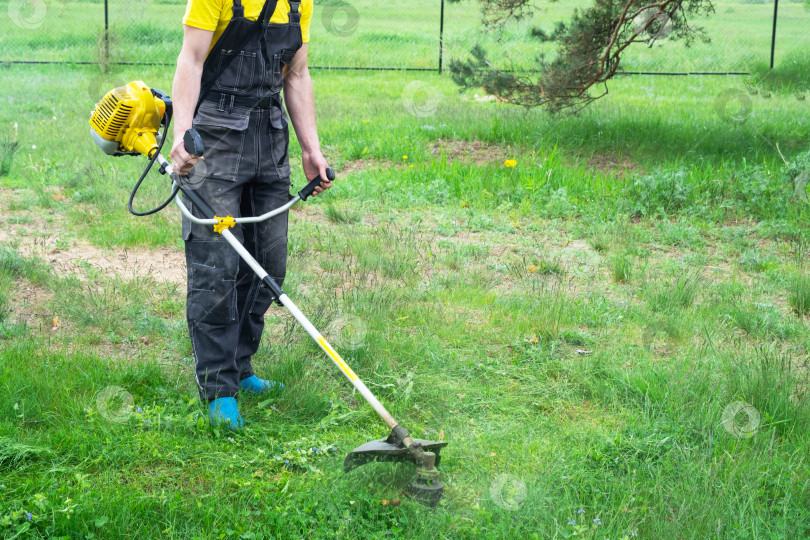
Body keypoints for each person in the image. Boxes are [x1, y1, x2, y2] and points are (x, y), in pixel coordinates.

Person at [169, 0, 331, 429]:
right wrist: (185, 132)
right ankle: (219, 389)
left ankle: (242, 367)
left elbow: (295, 75)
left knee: (267, 263)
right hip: (215, 134)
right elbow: (192, 57)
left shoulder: (300, 3)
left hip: (269, 135)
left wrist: (310, 148)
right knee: (215, 265)